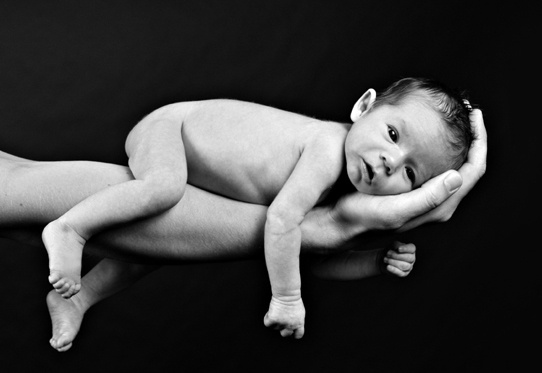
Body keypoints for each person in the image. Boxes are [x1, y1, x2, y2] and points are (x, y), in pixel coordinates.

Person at [0, 79, 487, 351]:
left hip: (201, 170)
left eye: (410, 174)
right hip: (173, 128)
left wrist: (371, 262)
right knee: (163, 189)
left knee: (162, 247)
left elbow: (311, 255)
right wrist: (287, 299)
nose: (388, 162)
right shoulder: (325, 146)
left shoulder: (340, 188)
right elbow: (281, 224)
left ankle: (80, 298)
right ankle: (69, 228)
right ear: (364, 107)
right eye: (394, 136)